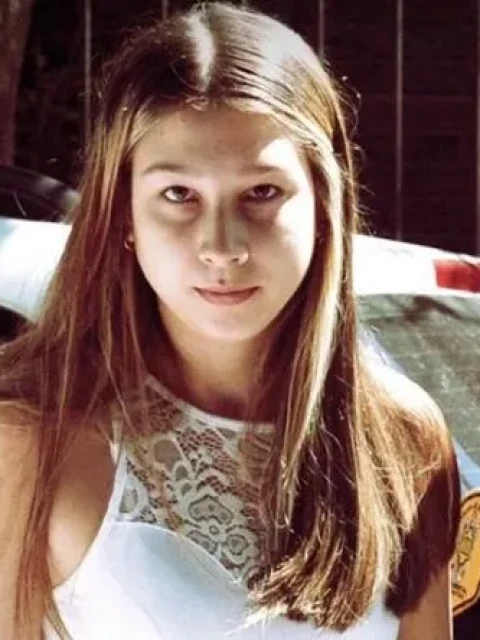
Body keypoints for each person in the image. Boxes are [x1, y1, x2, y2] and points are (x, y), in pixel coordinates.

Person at [0, 2, 460, 639]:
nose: (222, 246)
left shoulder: (404, 440)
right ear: (124, 214)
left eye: (262, 192)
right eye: (178, 195)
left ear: (324, 205)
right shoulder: (29, 431)